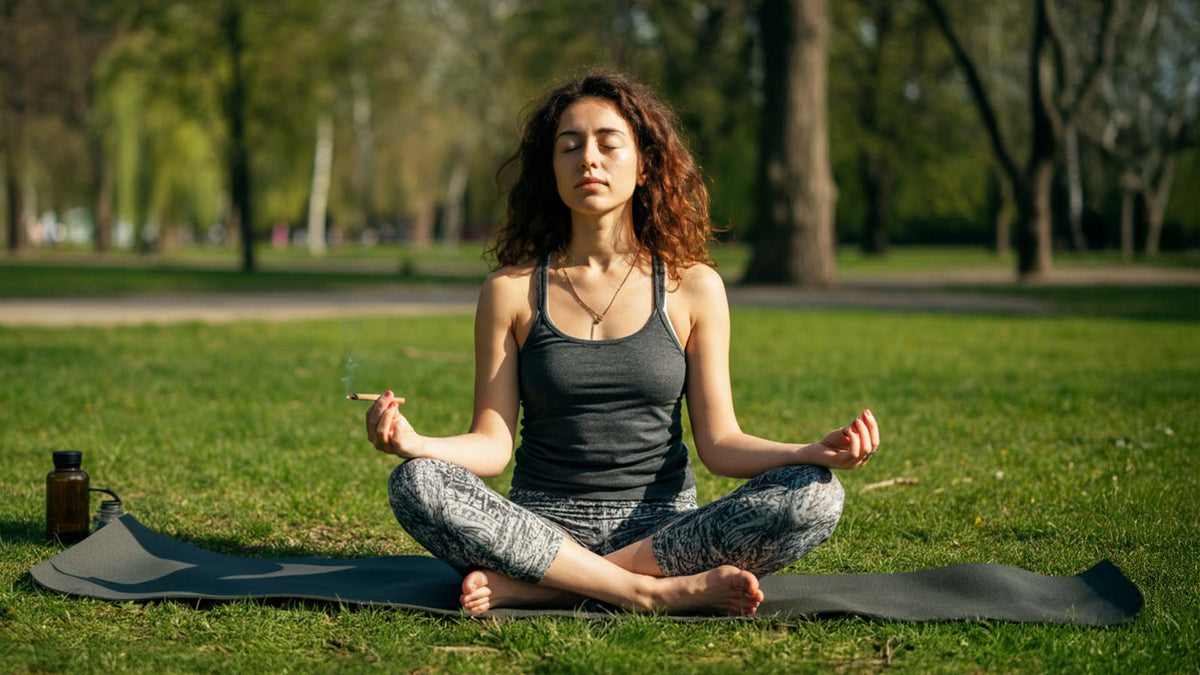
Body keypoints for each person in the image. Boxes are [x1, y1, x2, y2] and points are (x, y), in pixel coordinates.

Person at [366, 71, 880, 616]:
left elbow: (720, 442)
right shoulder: (509, 292)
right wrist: (416, 443)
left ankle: (557, 586)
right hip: (538, 528)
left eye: (609, 144)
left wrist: (810, 453)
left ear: (644, 165)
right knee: (416, 483)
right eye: (570, 147)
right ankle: (645, 592)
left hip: (662, 531)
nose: (589, 158)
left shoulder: (693, 286)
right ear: (553, 169)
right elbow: (492, 445)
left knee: (815, 494)